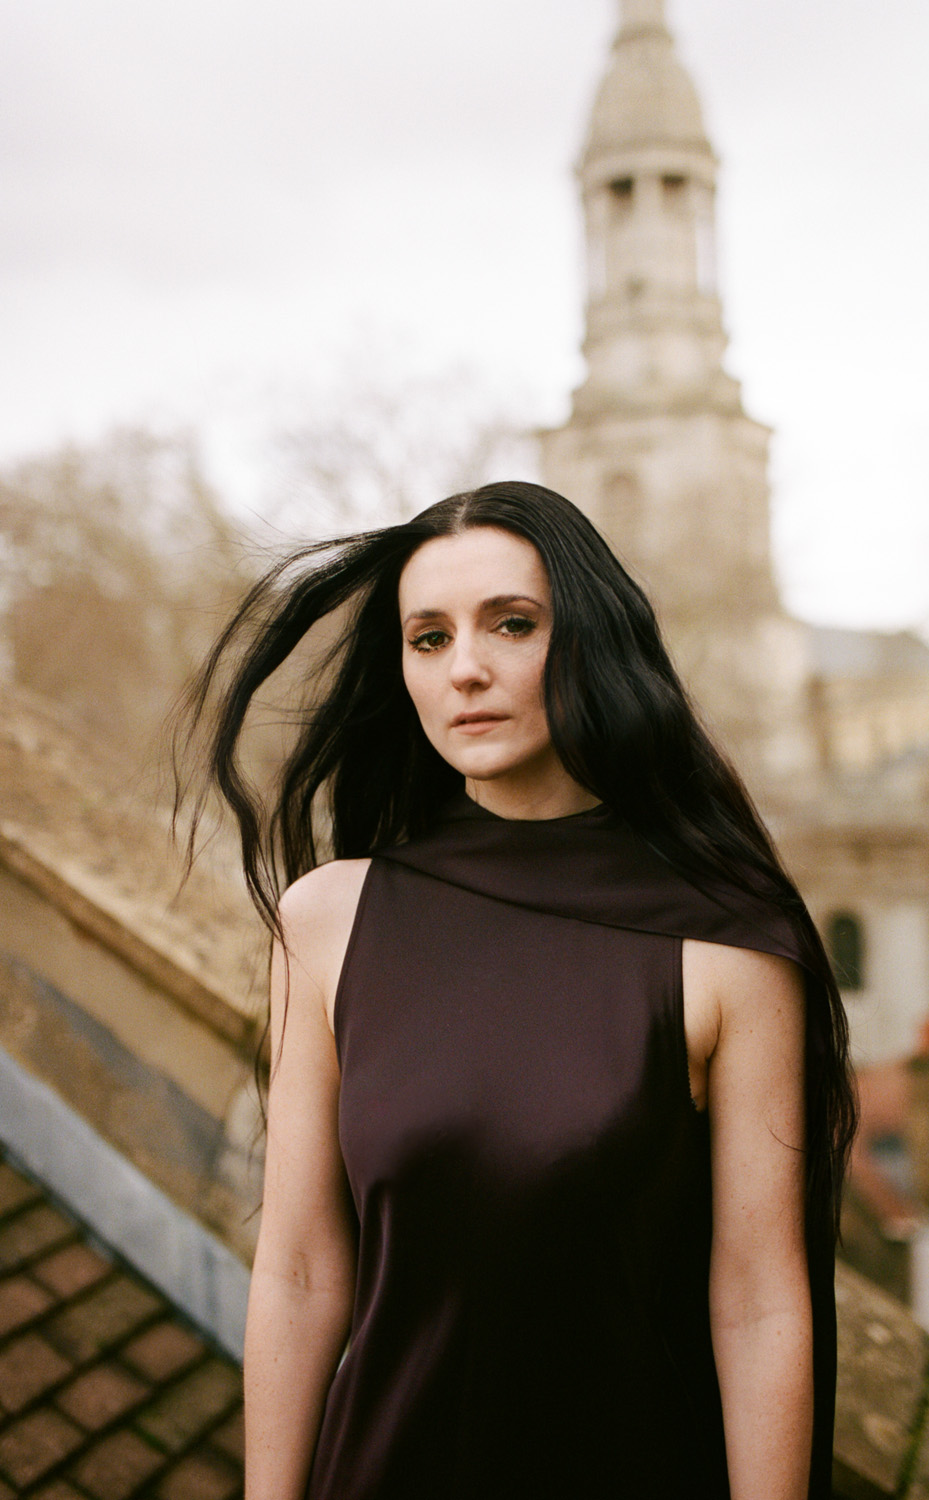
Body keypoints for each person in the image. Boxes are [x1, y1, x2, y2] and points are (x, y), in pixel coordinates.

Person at [177, 480, 856, 1500]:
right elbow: (302, 1270)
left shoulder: (725, 944)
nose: (467, 670)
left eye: (511, 624)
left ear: (586, 638)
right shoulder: (330, 922)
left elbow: (758, 1301)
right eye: (428, 638)